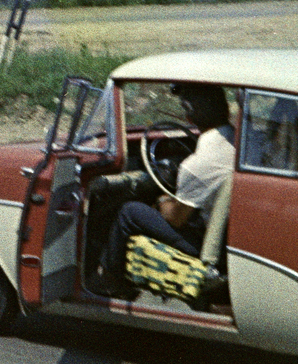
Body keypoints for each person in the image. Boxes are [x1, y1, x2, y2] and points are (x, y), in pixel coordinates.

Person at [91, 83, 235, 298]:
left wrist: (161, 200)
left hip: (202, 241)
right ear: (225, 109)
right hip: (228, 237)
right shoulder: (234, 138)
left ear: (189, 119)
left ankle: (110, 280)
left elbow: (176, 218)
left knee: (130, 211)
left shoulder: (197, 165)